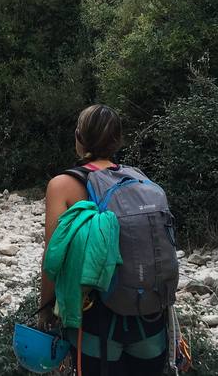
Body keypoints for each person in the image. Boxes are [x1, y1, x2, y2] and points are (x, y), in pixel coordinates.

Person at [40, 105, 170, 376]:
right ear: (117, 140)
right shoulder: (141, 180)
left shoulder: (62, 185)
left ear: (79, 138)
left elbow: (53, 258)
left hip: (96, 323)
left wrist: (45, 310)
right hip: (149, 317)